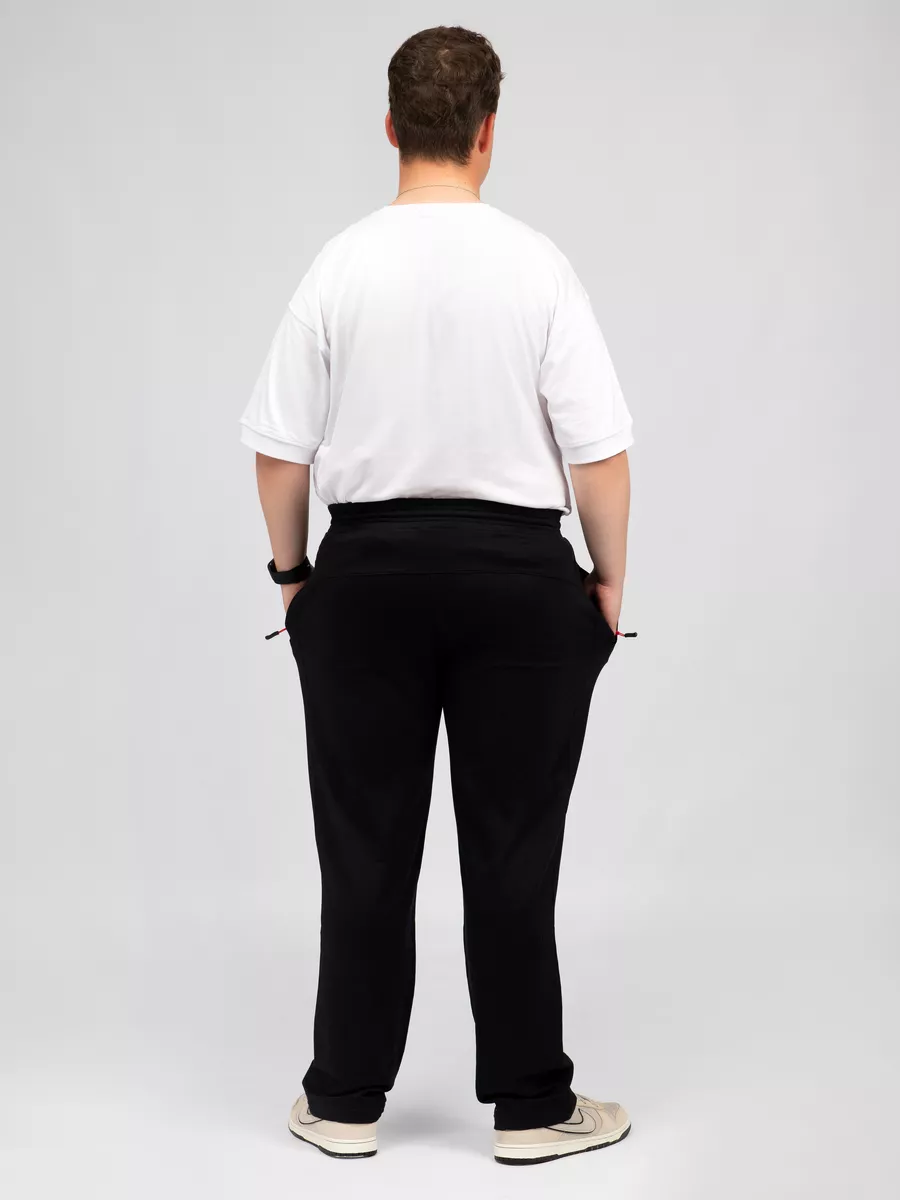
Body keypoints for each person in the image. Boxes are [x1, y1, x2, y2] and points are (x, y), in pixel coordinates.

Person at [239, 24, 634, 1167]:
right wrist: (608, 579)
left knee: (364, 846)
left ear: (390, 128)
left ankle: (344, 1100)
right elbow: (599, 454)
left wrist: (294, 577)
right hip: (519, 582)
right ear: (488, 133)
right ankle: (531, 1108)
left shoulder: (339, 266)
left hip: (364, 579)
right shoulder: (538, 266)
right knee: (514, 850)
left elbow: (278, 453)